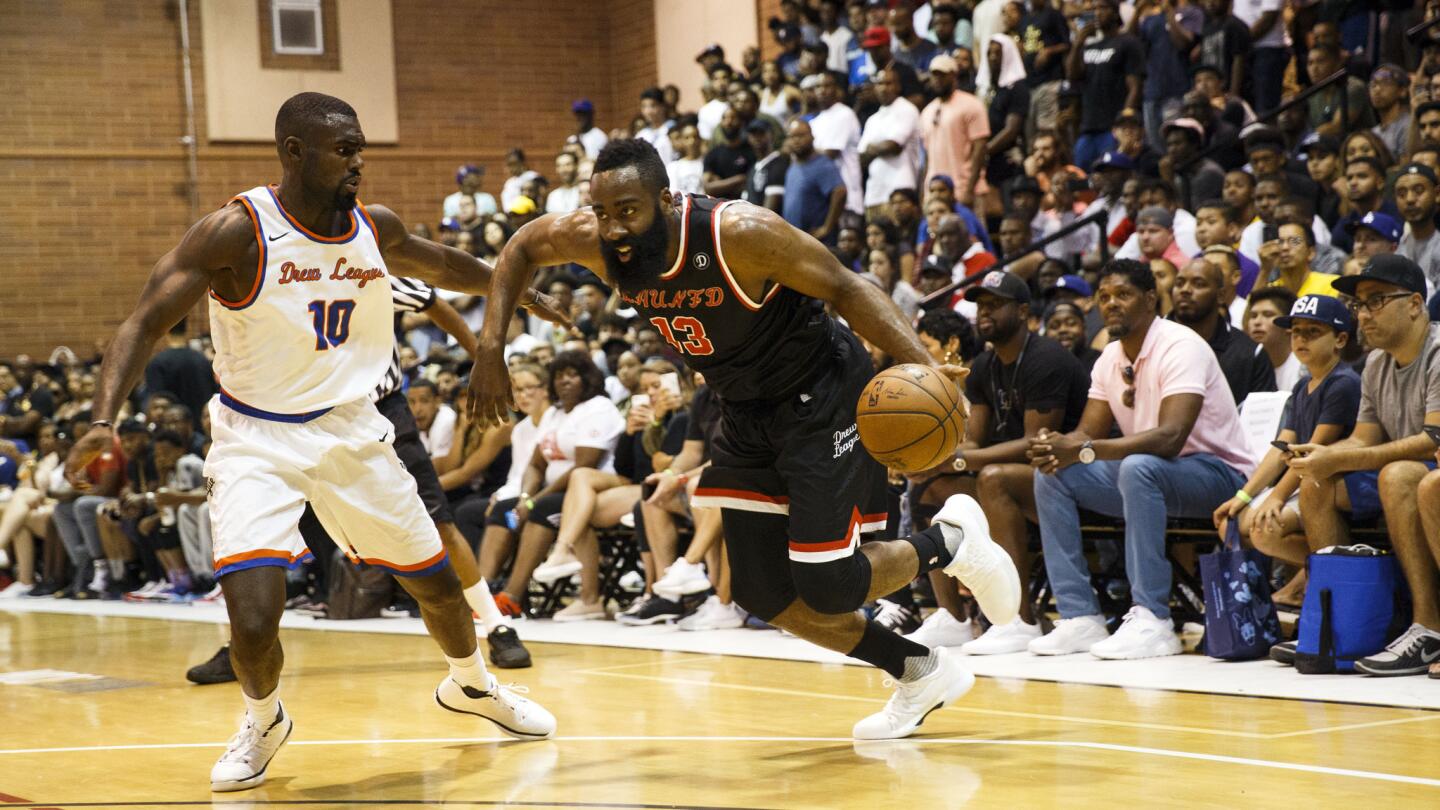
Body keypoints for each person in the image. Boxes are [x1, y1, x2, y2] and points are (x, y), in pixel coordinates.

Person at [65, 93, 568, 792]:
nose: (358, 160)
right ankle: (263, 718)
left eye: (361, 147)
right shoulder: (236, 233)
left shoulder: (373, 225)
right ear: (294, 152)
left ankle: (472, 687)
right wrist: (101, 418)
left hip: (352, 429)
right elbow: (144, 320)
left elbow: (447, 264)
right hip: (254, 437)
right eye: (343, 149)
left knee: (440, 589)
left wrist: (515, 294)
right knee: (251, 618)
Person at [470, 138, 1021, 740]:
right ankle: (919, 669)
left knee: (826, 584)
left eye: (628, 211)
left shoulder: (740, 233)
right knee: (762, 590)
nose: (614, 228)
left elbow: (847, 286)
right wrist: (491, 345)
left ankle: (948, 540)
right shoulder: (593, 238)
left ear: (664, 199)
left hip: (819, 396)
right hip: (741, 406)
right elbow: (522, 247)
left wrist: (925, 366)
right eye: (602, 213)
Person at [1028, 259, 1252, 659]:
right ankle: (1080, 616)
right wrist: (1057, 445)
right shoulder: (1110, 356)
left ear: (1150, 299)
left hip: (1220, 475)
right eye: (1104, 297)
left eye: (1123, 295)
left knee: (1138, 466)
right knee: (1053, 475)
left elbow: (1169, 437)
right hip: (1151, 477)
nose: (1111, 304)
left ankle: (1153, 618)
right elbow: (1087, 434)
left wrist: (1082, 449)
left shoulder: (1181, 346)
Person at [909, 272, 1090, 654]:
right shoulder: (985, 365)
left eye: (995, 305)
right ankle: (953, 617)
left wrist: (959, 460)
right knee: (928, 486)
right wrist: (937, 458)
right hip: (1005, 474)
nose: (984, 313)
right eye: (980, 306)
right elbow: (974, 437)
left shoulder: (1047, 359)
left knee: (993, 479)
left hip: (1064, 475)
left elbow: (1033, 444)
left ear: (1023, 311)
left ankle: (1018, 620)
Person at [1286, 256, 1440, 676]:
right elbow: (1364, 439)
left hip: (1423, 471)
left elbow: (1434, 439)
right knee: (1320, 482)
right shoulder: (1375, 362)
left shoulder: (1438, 352)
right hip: (1403, 471)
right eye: (1359, 305)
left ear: (1413, 304)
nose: (1364, 314)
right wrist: (1324, 456)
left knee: (1400, 474)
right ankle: (1339, 622)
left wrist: (1345, 455)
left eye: (1376, 301)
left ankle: (1428, 626)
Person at [1212, 294, 1359, 610]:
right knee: (1232, 522)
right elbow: (1281, 448)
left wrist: (1277, 497)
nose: (1301, 339)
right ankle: (1306, 578)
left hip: (1330, 486)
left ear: (1340, 339)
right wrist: (1243, 496)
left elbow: (1310, 454)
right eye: (1296, 331)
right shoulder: (1301, 386)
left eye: (1313, 332)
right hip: (1304, 481)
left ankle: (1319, 575)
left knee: (1266, 529)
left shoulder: (1343, 383)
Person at [1172, 258, 1275, 405]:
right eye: (1179, 283)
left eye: (1199, 284)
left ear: (1220, 296)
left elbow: (1262, 418)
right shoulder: (1151, 340)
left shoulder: (1250, 353)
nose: (1185, 290)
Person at [920, 53, 990, 206]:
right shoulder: (927, 111)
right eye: (934, 75)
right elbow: (927, 157)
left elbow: (979, 148)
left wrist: (969, 190)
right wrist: (923, 193)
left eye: (942, 75)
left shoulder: (972, 104)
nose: (937, 80)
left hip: (964, 188)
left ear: (953, 76)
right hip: (935, 193)